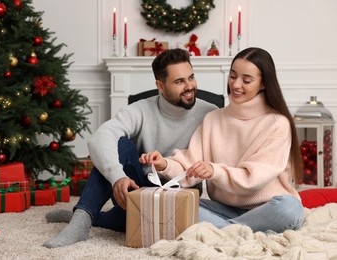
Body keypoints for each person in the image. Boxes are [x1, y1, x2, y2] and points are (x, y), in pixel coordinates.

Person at [42, 48, 218, 248]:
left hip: (181, 196)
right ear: (160, 86)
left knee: (122, 222)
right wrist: (118, 176)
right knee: (120, 145)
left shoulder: (210, 113)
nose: (189, 86)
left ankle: (85, 214)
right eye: (179, 82)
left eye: (191, 77)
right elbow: (100, 137)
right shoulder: (142, 109)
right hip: (139, 191)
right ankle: (81, 221)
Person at [140, 47, 305, 233]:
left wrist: (214, 171)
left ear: (263, 84)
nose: (235, 85)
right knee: (169, 204)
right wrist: (165, 164)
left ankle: (223, 231)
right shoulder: (213, 118)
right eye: (233, 76)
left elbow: (253, 180)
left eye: (247, 80)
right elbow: (189, 165)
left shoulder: (277, 123)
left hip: (269, 208)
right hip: (225, 210)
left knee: (290, 209)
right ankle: (235, 231)